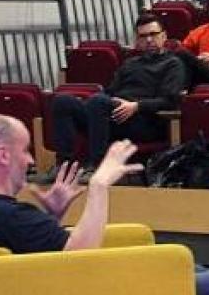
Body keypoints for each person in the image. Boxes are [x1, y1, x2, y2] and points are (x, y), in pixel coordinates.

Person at [0, 116, 209, 295]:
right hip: (93, 290)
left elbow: (40, 257)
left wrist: (53, 217)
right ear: (3, 155)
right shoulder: (8, 215)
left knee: (192, 267)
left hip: (66, 287)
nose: (31, 159)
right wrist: (99, 185)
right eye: (24, 150)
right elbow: (80, 260)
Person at [46, 15, 185, 175]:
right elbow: (110, 92)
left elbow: (170, 100)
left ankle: (97, 166)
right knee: (63, 101)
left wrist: (136, 106)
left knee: (98, 102)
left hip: (145, 120)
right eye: (143, 36)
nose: (148, 40)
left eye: (153, 34)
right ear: (137, 40)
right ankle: (64, 166)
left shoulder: (173, 64)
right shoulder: (130, 63)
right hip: (113, 115)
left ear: (164, 36)